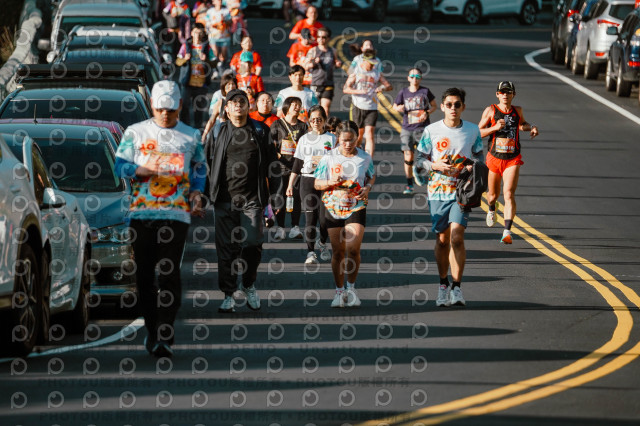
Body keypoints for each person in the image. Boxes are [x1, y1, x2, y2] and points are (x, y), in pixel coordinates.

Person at [114, 80, 207, 358]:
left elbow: (200, 168)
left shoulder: (191, 135)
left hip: (175, 214)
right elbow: (119, 165)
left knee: (168, 274)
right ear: (152, 105)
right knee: (144, 276)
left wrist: (197, 194)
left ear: (180, 105)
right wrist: (140, 169)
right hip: (142, 213)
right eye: (160, 109)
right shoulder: (135, 132)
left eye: (170, 109)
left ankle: (164, 335)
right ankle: (152, 331)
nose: (165, 114)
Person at [207, 89, 279, 313]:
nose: (238, 105)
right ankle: (228, 294)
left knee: (252, 244)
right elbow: (204, 164)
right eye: (233, 102)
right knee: (226, 250)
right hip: (224, 200)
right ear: (227, 109)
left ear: (249, 107)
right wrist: (202, 194)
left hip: (252, 200)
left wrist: (275, 198)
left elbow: (272, 166)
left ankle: (248, 284)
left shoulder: (260, 130)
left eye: (242, 101)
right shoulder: (218, 131)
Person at [414, 87, 483, 308]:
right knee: (442, 240)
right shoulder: (431, 130)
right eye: (449, 104)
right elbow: (419, 160)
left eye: (457, 104)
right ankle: (443, 284)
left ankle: (457, 287)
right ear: (442, 107)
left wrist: (472, 167)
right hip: (437, 191)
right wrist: (435, 165)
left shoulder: (472, 130)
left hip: (462, 191)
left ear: (463, 107)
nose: (453, 108)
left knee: (456, 238)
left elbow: (480, 157)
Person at [314, 121, 375, 308]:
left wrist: (367, 188)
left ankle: (352, 288)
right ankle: (339, 291)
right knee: (338, 251)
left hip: (356, 206)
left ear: (357, 138)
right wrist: (330, 182)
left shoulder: (364, 157)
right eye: (344, 140)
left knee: (353, 248)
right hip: (332, 207)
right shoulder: (329, 157)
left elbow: (371, 175)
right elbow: (317, 183)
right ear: (337, 138)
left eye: (352, 140)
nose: (348, 144)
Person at [478, 81, 538, 244]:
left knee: (509, 193)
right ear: (497, 94)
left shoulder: (517, 111)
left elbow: (521, 124)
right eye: (502, 92)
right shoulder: (491, 110)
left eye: (508, 92)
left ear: (513, 95)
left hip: (512, 158)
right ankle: (492, 208)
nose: (505, 95)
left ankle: (507, 232)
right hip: (494, 158)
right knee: (492, 196)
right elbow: (478, 132)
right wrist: (494, 128)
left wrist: (532, 127)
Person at [287, 105, 335, 263]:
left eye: (319, 119)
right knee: (310, 218)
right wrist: (290, 184)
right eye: (312, 120)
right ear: (309, 121)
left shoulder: (332, 139)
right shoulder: (304, 139)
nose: (315, 122)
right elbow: (297, 164)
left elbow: (338, 161)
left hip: (326, 182)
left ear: (324, 120)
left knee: (325, 219)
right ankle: (310, 252)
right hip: (307, 180)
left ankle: (322, 242)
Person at [392, 67, 437, 195]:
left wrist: (427, 113)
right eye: (412, 76)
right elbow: (394, 106)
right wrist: (399, 108)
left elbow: (434, 106)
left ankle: (417, 169)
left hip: (422, 128)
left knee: (425, 155)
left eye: (417, 77)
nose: (414, 79)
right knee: (408, 156)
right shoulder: (403, 92)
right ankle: (409, 184)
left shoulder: (425, 91)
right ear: (408, 78)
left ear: (421, 78)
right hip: (407, 129)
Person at [270, 96, 308, 241]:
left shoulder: (303, 126)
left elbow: (306, 146)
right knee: (280, 197)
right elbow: (270, 143)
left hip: (296, 167)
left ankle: (295, 227)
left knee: (296, 197)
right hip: (280, 167)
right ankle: (280, 228)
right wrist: (276, 153)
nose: (297, 107)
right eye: (294, 105)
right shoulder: (277, 124)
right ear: (287, 106)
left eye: (299, 105)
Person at [343, 49, 392, 159]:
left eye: (373, 63)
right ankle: (356, 156)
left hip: (372, 106)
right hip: (358, 106)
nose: (372, 66)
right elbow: (345, 89)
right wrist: (359, 91)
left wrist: (382, 87)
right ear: (364, 60)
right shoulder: (356, 72)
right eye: (370, 63)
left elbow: (389, 86)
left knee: (369, 134)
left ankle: (369, 160)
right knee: (359, 135)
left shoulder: (376, 73)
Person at [177, 23, 216, 130]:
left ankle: (197, 130)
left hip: (201, 84)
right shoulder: (185, 46)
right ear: (191, 33)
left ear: (203, 34)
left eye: (199, 33)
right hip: (187, 82)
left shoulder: (207, 47)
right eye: (195, 32)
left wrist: (206, 59)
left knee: (198, 109)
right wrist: (184, 59)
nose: (197, 35)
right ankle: (184, 128)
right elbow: (178, 62)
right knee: (184, 107)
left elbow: (214, 63)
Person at [304, 26, 342, 116]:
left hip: (328, 84)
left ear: (328, 38)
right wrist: (314, 63)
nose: (321, 39)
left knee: (325, 109)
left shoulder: (333, 51)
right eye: (319, 37)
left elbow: (335, 63)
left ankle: (325, 125)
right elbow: (305, 67)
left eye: (323, 37)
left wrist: (337, 64)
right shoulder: (313, 51)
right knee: (315, 109)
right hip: (316, 83)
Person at [202, 73, 237, 142]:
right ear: (224, 86)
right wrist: (205, 133)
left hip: (236, 133)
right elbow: (212, 118)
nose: (231, 86)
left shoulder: (240, 99)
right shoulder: (220, 100)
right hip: (221, 132)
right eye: (228, 84)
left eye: (233, 84)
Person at [204, 0, 232, 78]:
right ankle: (215, 70)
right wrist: (213, 25)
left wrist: (224, 20)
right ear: (213, 2)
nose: (219, 1)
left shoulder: (226, 11)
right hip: (213, 36)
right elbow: (207, 22)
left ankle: (221, 67)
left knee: (223, 55)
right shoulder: (210, 11)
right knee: (215, 53)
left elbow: (230, 22)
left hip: (224, 37)